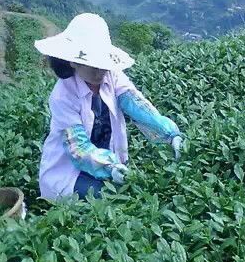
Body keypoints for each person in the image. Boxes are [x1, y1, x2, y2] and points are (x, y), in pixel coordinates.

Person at [34, 13, 183, 200]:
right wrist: (109, 166)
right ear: (73, 62)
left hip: (107, 162)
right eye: (93, 66)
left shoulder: (112, 75)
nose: (100, 71)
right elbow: (78, 148)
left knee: (125, 194)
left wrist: (170, 134)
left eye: (103, 64)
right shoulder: (63, 95)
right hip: (69, 170)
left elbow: (136, 105)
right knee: (109, 198)